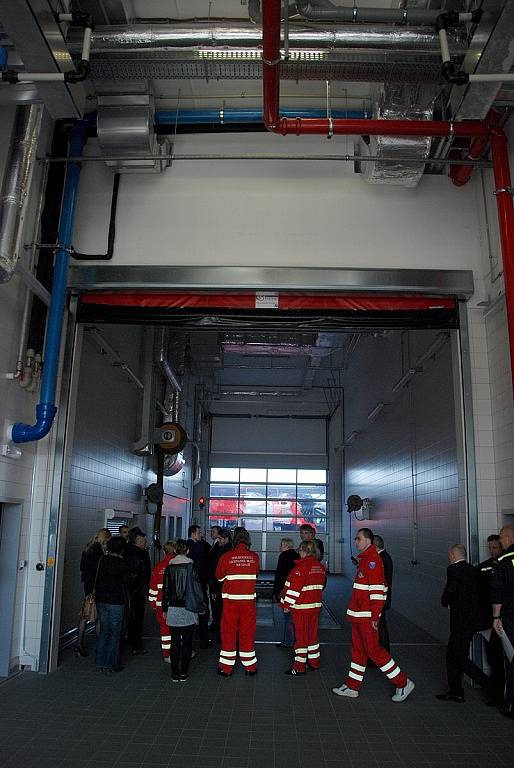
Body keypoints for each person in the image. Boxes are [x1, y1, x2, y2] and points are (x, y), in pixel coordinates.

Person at [332, 528, 414, 702]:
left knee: (374, 651)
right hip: (358, 615)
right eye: (355, 539)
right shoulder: (365, 560)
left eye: (358, 539)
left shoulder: (373, 561)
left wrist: (374, 617)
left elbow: (377, 592)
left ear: (368, 541)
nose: (356, 542)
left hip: (367, 617)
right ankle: (352, 686)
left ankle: (403, 682)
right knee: (358, 651)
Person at [436, 544, 491, 703]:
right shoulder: (474, 571)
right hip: (472, 621)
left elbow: (451, 590)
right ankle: (456, 691)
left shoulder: (453, 569)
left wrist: (445, 601)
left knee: (458, 657)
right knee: (454, 655)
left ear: (453, 555)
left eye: (449, 554)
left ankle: (488, 685)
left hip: (460, 621)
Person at [216, 527, 260, 677]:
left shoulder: (227, 556)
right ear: (248, 541)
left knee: (228, 632)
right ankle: (250, 667)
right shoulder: (254, 557)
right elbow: (256, 574)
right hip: (248, 603)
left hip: (231, 603)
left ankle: (226, 668)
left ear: (234, 540)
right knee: (247, 633)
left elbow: (219, 577)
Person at [162, 539, 205, 682]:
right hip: (189, 608)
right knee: (187, 642)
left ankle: (174, 673)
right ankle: (184, 672)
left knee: (174, 642)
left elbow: (165, 590)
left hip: (173, 608)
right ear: (187, 551)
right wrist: (201, 606)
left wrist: (164, 608)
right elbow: (197, 589)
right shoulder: (192, 567)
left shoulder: (169, 567)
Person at [280, 540, 326, 674]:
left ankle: (299, 667)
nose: (299, 553)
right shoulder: (319, 567)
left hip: (301, 608)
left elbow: (293, 589)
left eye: (300, 550)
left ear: (304, 551)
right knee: (312, 636)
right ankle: (314, 663)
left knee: (300, 637)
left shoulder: (300, 568)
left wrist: (287, 605)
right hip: (315, 608)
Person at [94, 536, 129, 674]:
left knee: (104, 631)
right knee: (115, 633)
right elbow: (126, 582)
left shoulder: (102, 560)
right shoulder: (122, 563)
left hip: (101, 600)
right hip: (116, 601)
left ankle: (100, 662)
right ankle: (111, 663)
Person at [477, 534, 504, 704]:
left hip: (502, 619)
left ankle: (498, 694)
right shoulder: (484, 567)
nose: (492, 551)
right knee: (494, 657)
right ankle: (496, 693)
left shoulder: (504, 566)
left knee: (499, 658)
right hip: (492, 620)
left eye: (495, 547)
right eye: (490, 548)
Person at [76, 527, 112, 657]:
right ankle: (100, 646)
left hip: (88, 586)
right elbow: (100, 570)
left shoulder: (87, 548)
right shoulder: (98, 552)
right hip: (96, 587)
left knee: (85, 615)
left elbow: (82, 568)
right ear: (105, 539)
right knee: (98, 616)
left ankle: (79, 643)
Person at [491, 524, 514, 719]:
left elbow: (497, 593)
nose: (499, 541)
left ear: (508, 538)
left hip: (510, 616)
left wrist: (496, 617)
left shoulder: (503, 561)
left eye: (501, 537)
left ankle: (511, 705)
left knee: (511, 659)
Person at [148, 540, 176, 663]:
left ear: (164, 552)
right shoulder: (177, 565)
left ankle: (167, 655)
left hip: (160, 605)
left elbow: (153, 587)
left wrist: (153, 603)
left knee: (165, 630)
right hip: (175, 605)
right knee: (177, 629)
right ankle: (178, 652)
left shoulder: (158, 566)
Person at [125, 527, 151, 655]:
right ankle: (136, 644)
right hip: (136, 592)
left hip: (131, 591)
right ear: (138, 541)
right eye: (143, 540)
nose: (145, 542)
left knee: (131, 618)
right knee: (137, 618)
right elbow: (138, 574)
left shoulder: (127, 551)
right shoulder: (139, 554)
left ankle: (130, 641)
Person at [186, 525, 212, 648]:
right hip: (199, 584)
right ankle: (204, 639)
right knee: (203, 610)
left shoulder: (187, 546)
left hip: (189, 585)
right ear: (193, 533)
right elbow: (202, 566)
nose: (201, 534)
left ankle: (191, 638)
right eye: (199, 532)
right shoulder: (198, 547)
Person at [273, 537, 300, 648]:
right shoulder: (297, 556)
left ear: (286, 545)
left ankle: (287, 641)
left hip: (286, 589)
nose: (279, 546)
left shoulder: (283, 556)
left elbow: (279, 575)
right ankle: (294, 639)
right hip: (296, 589)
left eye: (281, 544)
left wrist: (276, 591)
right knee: (293, 617)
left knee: (287, 616)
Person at [208, 528, 232, 642]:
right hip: (224, 588)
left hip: (221, 587)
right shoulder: (226, 549)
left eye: (220, 539)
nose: (219, 541)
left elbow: (217, 572)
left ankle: (220, 634)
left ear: (226, 539)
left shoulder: (224, 552)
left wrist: (214, 589)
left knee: (220, 612)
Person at [373, 534, 393, 652]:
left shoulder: (381, 559)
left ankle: (383, 653)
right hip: (382, 598)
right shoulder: (385, 557)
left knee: (380, 627)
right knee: (380, 626)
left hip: (380, 599)